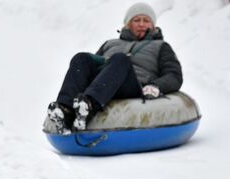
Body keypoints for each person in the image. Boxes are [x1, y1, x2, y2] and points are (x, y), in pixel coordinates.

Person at [46, 2, 183, 134]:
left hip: (131, 85)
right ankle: (65, 110)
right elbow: (92, 67)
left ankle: (89, 107)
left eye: (146, 20)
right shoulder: (110, 43)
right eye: (136, 20)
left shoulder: (161, 46)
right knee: (81, 58)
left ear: (153, 25)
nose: (141, 24)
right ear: (128, 24)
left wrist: (155, 86)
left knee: (120, 59)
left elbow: (174, 75)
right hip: (105, 83)